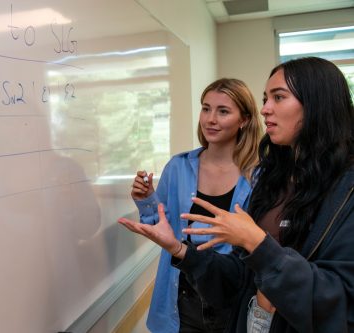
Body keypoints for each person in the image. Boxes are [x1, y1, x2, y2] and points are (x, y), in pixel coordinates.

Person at [119, 56, 354, 333]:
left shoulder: (342, 190)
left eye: (278, 98)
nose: (265, 109)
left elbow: (340, 301)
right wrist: (179, 249)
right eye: (265, 98)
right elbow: (241, 276)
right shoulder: (273, 180)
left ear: (318, 104)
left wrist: (257, 243)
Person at [129, 78, 263, 332]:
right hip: (182, 299)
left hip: (233, 299)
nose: (210, 119)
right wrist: (147, 199)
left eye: (223, 111)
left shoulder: (259, 175)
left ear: (244, 120)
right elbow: (164, 231)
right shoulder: (178, 167)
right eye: (206, 108)